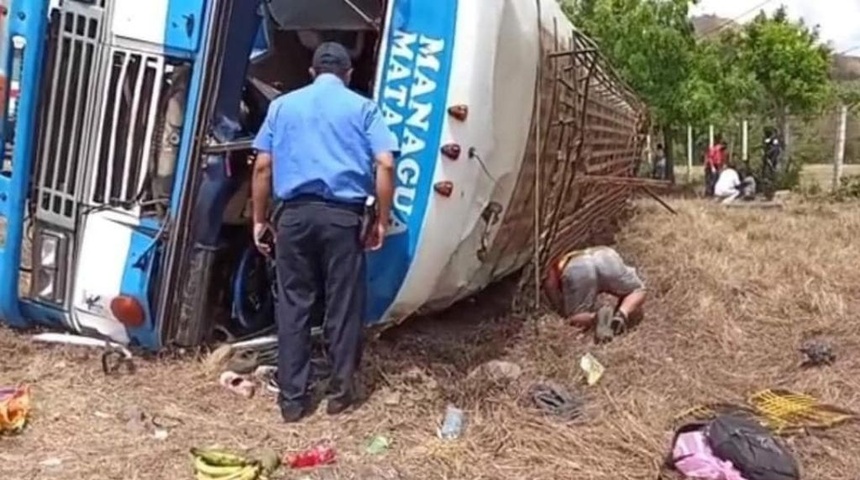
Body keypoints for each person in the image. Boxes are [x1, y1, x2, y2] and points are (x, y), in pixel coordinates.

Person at [251, 42, 398, 422]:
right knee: (343, 305)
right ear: (348, 75)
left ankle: (292, 400)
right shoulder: (363, 108)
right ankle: (339, 394)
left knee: (294, 304)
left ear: (313, 73)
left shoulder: (283, 106)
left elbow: (263, 166)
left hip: (294, 217)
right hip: (342, 218)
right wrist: (381, 218)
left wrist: (259, 219)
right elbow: (385, 162)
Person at [543, 247, 647, 343]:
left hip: (578, 269)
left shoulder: (557, 259)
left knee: (574, 317)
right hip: (606, 257)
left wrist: (559, 308)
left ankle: (596, 317)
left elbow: (550, 283)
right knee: (637, 290)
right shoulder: (586, 250)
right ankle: (622, 313)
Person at [761, 127, 781, 201]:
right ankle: (766, 192)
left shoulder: (774, 140)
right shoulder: (765, 140)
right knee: (765, 176)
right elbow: (764, 148)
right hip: (766, 161)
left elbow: (776, 149)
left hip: (772, 161)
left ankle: (771, 193)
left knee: (771, 176)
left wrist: (770, 158)